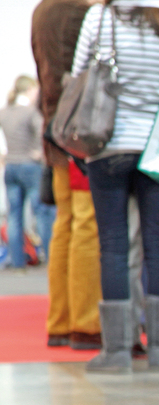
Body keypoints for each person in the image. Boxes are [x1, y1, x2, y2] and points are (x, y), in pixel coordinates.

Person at [71, 0, 159, 372]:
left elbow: (78, 75)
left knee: (113, 246)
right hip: (157, 149)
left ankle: (118, 351)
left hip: (107, 143)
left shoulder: (99, 17)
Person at [33, 0, 102, 350]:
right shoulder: (82, 11)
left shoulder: (42, 10)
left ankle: (60, 320)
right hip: (80, 133)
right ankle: (86, 323)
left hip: (55, 131)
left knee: (65, 225)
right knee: (86, 225)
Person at [0, 76, 53, 272]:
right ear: (29, 90)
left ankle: (17, 262)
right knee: (42, 213)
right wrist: (38, 151)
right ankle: (50, 258)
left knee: (14, 215)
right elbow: (42, 133)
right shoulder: (31, 112)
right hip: (30, 166)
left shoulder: (5, 112)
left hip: (11, 166)